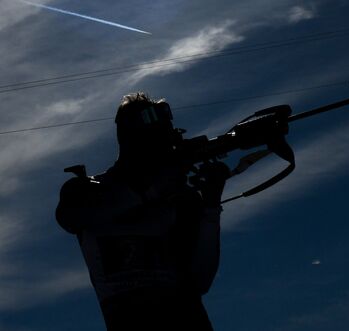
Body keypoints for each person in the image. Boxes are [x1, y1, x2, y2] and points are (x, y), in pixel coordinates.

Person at [56, 92, 229, 330]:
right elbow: (71, 218)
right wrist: (152, 190)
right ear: (129, 139)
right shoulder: (86, 190)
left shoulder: (180, 197)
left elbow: (199, 281)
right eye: (156, 138)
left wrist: (210, 205)